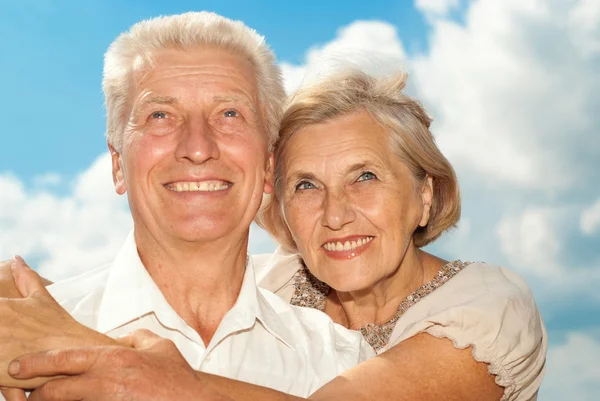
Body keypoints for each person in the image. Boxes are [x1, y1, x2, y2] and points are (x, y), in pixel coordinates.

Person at [0, 55, 547, 401]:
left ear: (425, 195)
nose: (336, 214)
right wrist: (41, 307)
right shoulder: (276, 284)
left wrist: (157, 382)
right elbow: (152, 302)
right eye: (306, 185)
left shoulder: (484, 309)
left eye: (365, 177)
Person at [0, 11, 376, 401]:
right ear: (118, 165)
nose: (198, 148)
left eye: (229, 113)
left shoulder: (340, 359)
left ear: (268, 165)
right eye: (160, 115)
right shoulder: (14, 338)